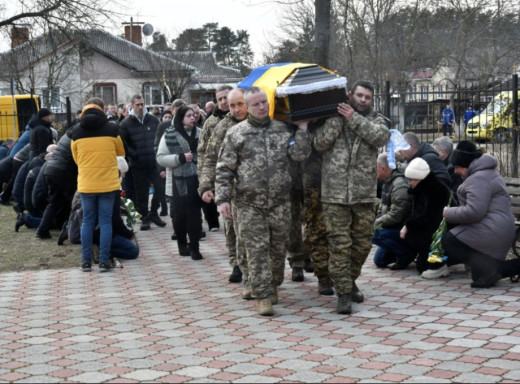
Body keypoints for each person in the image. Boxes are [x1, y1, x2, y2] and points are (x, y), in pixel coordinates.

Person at [215, 86, 311, 316]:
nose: (261, 107)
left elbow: (299, 155)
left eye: (263, 102)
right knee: (256, 250)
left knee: (277, 250)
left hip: (279, 202)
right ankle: (263, 295)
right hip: (249, 204)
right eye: (256, 104)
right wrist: (222, 199)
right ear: (247, 108)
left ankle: (274, 284)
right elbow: (224, 168)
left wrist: (303, 130)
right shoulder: (236, 134)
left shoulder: (282, 130)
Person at [313, 80, 390, 314]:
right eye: (359, 95)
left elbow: (380, 138)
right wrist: (338, 120)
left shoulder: (376, 120)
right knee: (340, 245)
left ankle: (349, 279)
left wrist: (353, 118)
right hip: (334, 195)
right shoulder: (332, 118)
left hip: (363, 195)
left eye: (367, 97)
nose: (363, 100)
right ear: (350, 95)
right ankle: (344, 293)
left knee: (362, 245)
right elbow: (319, 143)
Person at [421, 141, 519, 287]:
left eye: (458, 167)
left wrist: (448, 212)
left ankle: (497, 269)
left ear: (467, 165)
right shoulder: (483, 173)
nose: (455, 171)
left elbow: (474, 211)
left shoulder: (478, 178)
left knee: (449, 241)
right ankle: (498, 269)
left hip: (493, 230)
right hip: (495, 227)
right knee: (481, 274)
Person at [199, 88, 248, 284]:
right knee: (231, 227)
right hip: (229, 185)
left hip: (256, 189)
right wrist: (205, 185)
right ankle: (236, 263)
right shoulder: (220, 126)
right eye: (228, 102)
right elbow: (208, 156)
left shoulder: (261, 123)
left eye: (239, 104)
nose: (232, 107)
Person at [71, 98, 125, 272]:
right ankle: (103, 261)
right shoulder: (112, 129)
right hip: (108, 183)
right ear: (102, 110)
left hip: (87, 183)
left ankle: (86, 261)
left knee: (87, 221)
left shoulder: (76, 132)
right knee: (106, 222)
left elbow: (76, 159)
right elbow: (121, 152)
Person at [301, 117, 343, 296]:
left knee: (339, 234)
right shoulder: (301, 123)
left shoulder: (338, 117)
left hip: (338, 183)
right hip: (313, 186)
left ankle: (343, 277)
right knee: (317, 233)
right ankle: (323, 277)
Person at [156, 105, 204, 261]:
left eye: (193, 115)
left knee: (195, 215)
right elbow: (160, 157)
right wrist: (180, 158)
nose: (192, 118)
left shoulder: (200, 133)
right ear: (180, 118)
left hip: (197, 179)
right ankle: (182, 244)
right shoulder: (170, 134)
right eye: (189, 115)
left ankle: (195, 246)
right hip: (177, 182)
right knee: (180, 216)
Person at [119, 95, 166, 230]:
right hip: (138, 163)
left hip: (153, 162)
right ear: (132, 106)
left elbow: (160, 138)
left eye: (142, 104)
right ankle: (144, 216)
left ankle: (153, 213)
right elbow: (124, 144)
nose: (140, 107)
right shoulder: (126, 123)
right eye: (137, 105)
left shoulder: (153, 120)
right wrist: (134, 154)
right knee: (142, 192)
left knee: (160, 188)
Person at [400, 157, 451, 275]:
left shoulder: (436, 190)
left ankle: (439, 263)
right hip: (429, 229)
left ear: (419, 179)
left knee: (422, 266)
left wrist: (408, 225)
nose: (409, 183)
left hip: (439, 231)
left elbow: (430, 217)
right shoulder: (421, 188)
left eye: (411, 180)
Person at [198, 86, 233, 232]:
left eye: (226, 97)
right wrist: (203, 178)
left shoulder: (244, 117)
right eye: (220, 99)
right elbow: (202, 151)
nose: (224, 102)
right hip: (220, 173)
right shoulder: (211, 122)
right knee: (227, 216)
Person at [35, 126, 78, 240]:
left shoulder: (67, 136)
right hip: (64, 171)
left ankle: (42, 230)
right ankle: (69, 230)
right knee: (76, 201)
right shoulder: (79, 136)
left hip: (51, 169)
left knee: (54, 202)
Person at [372, 153, 414, 269]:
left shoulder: (399, 185)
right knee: (379, 261)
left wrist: (374, 224)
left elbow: (396, 215)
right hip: (393, 227)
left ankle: (407, 254)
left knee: (373, 233)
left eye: (375, 168)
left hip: (404, 229)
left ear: (383, 168)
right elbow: (383, 208)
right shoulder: (388, 181)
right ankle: (400, 251)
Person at [432, 136, 463, 201]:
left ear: (442, 152)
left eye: (434, 151)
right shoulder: (450, 163)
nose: (433, 154)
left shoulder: (453, 169)